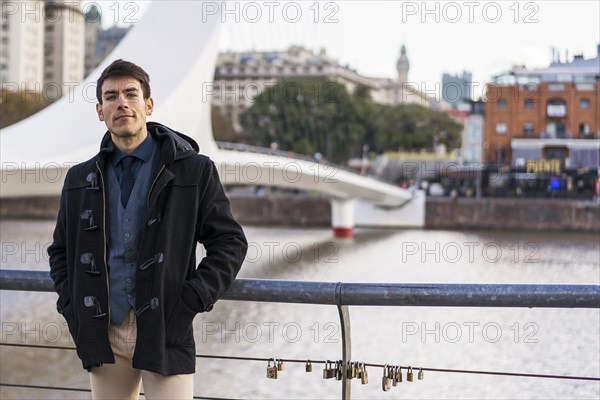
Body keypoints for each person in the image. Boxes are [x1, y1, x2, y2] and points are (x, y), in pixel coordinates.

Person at [48, 59, 248, 399]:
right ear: (100, 111)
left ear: (148, 105)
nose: (121, 102)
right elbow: (60, 252)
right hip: (102, 333)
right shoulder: (79, 179)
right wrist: (73, 310)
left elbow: (230, 243)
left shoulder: (194, 171)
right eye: (111, 96)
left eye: (131, 93)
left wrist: (190, 301)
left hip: (167, 331)